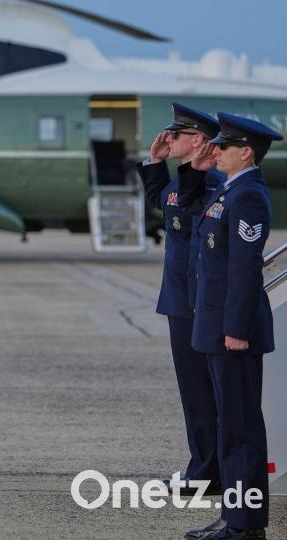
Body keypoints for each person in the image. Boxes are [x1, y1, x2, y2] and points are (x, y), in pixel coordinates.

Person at [181, 113, 282, 540]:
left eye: (224, 146)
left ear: (246, 151)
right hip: (217, 325)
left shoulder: (249, 195)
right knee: (229, 426)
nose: (214, 150)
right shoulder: (228, 189)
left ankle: (245, 526)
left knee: (240, 429)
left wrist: (237, 328)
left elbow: (244, 268)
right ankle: (233, 516)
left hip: (232, 331)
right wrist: (199, 170)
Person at [137, 103, 223, 497]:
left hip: (196, 302)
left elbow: (186, 202)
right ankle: (203, 466)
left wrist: (187, 171)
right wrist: (153, 163)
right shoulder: (183, 183)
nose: (168, 139)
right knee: (195, 393)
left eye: (177, 135)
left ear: (199, 142)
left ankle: (206, 473)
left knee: (203, 392)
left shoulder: (209, 183)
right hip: (180, 301)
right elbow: (164, 203)